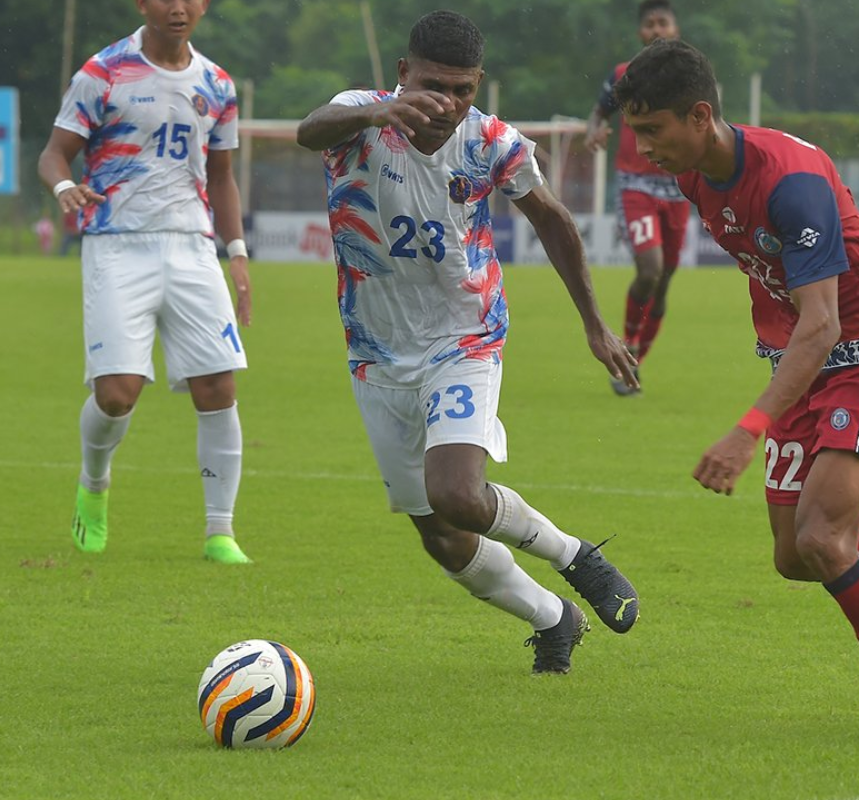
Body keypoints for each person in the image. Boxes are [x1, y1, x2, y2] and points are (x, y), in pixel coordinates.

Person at [613, 39, 859, 745]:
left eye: (653, 130)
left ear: (700, 115)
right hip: (798, 361)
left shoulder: (790, 183)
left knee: (825, 538)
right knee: (796, 556)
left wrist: (748, 428)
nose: (643, 148)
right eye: (634, 132)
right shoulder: (696, 174)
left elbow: (824, 322)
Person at [296, 10, 641, 674]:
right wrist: (379, 114)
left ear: (479, 83)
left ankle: (575, 557)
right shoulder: (359, 117)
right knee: (443, 537)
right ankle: (552, 617)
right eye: (432, 86)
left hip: (466, 338)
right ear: (403, 74)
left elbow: (553, 220)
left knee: (458, 492)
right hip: (375, 353)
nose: (447, 103)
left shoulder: (492, 142)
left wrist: (594, 324)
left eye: (462, 89)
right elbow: (308, 131)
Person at [37, 0, 253, 564]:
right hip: (117, 244)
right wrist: (64, 189)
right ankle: (94, 482)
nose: (177, 8)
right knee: (116, 394)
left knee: (217, 387)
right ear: (141, 3)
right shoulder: (103, 72)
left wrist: (236, 252)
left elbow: (223, 175)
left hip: (192, 247)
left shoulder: (218, 83)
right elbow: (55, 155)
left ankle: (219, 532)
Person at [584, 0, 689, 396]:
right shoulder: (623, 75)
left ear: (675, 30)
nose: (657, 29)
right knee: (650, 270)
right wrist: (594, 129)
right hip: (636, 187)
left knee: (663, 283)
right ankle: (627, 350)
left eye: (664, 22)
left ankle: (635, 364)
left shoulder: (690, 79)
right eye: (650, 24)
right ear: (640, 33)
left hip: (678, 189)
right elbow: (599, 112)